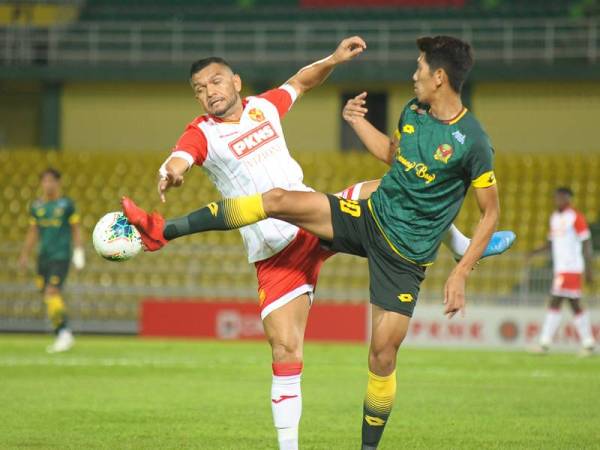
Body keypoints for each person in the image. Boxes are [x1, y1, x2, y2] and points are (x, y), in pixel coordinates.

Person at [122, 35, 509, 449]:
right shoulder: (202, 132)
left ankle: (462, 243)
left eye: (215, 82)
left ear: (236, 82)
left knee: (396, 192)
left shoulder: (264, 107)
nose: (208, 92)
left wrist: (334, 59)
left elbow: (302, 82)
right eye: (199, 89)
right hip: (276, 252)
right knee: (285, 350)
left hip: (312, 221)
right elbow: (182, 155)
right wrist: (173, 170)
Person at [18, 168, 85, 353]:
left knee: (51, 292)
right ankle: (62, 332)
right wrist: (25, 254)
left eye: (51, 181)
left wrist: (79, 253)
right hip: (43, 257)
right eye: (44, 181)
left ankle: (63, 333)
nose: (48, 184)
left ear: (58, 183)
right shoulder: (37, 207)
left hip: (61, 256)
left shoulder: (66, 205)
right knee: (48, 296)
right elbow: (33, 232)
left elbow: (76, 229)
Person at [528, 187, 595, 356]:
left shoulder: (575, 217)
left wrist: (589, 269)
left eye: (561, 196)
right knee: (573, 304)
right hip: (561, 269)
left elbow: (586, 242)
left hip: (571, 267)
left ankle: (544, 343)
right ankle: (588, 343)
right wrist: (534, 252)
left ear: (568, 198)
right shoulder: (554, 218)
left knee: (556, 301)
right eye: (555, 196)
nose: (557, 199)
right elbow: (551, 243)